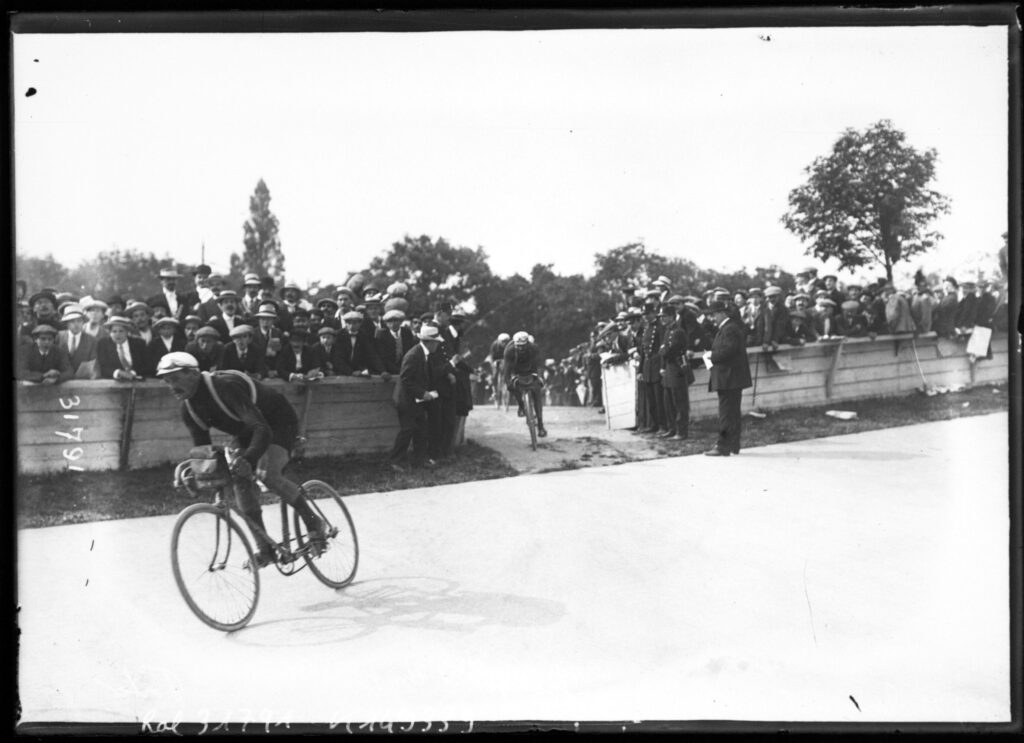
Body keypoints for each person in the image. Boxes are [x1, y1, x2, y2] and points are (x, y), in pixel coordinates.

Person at [155, 352, 327, 568]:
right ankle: (265, 549)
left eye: (175, 379)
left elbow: (262, 429)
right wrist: (198, 472)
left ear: (193, 373)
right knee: (240, 482)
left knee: (268, 475)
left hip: (278, 422)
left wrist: (249, 459)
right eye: (167, 381)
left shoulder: (225, 386)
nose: (172, 387)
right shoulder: (188, 409)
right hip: (248, 432)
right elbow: (204, 450)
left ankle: (314, 522)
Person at [389, 322, 444, 471]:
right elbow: (405, 380)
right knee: (407, 430)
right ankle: (395, 461)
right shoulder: (413, 355)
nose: (438, 345)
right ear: (429, 342)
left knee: (421, 430)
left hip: (416, 401)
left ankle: (419, 461)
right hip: (406, 401)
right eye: (436, 342)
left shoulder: (425, 354)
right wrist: (422, 393)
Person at [702, 300, 752, 457]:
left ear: (722, 313)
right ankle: (733, 445)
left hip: (729, 378)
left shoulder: (729, 329)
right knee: (732, 412)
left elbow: (727, 351)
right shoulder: (728, 328)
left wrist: (710, 356)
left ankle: (723, 446)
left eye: (713, 315)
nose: (712, 318)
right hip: (731, 378)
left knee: (726, 413)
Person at [659, 302, 694, 440]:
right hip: (669, 370)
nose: (662, 319)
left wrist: (663, 350)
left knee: (679, 402)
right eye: (661, 316)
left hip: (677, 370)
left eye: (664, 316)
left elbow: (670, 351)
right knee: (669, 402)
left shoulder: (678, 331)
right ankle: (672, 428)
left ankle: (681, 431)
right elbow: (664, 351)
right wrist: (663, 354)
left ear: (672, 316)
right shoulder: (668, 331)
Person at [503, 330, 547, 437]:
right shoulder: (509, 351)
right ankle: (521, 405)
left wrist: (540, 376)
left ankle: (540, 425)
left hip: (531, 370)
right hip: (517, 371)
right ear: (515, 344)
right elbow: (507, 369)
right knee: (512, 387)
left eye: (523, 346)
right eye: (518, 346)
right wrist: (508, 382)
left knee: (537, 394)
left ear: (528, 343)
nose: (521, 348)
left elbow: (540, 364)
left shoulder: (534, 348)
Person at [97, 315, 151, 380]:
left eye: (121, 331)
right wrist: (118, 372)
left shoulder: (139, 343)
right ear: (110, 333)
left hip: (137, 380)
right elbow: (102, 367)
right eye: (114, 331)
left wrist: (132, 373)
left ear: (127, 332)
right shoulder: (103, 344)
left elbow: (147, 365)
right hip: (113, 381)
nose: (117, 334)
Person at [57, 306, 99, 378]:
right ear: (66, 323)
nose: (76, 324)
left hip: (82, 379)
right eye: (72, 321)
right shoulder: (59, 336)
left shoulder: (91, 340)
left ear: (83, 322)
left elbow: (93, 363)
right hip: (61, 378)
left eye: (79, 321)